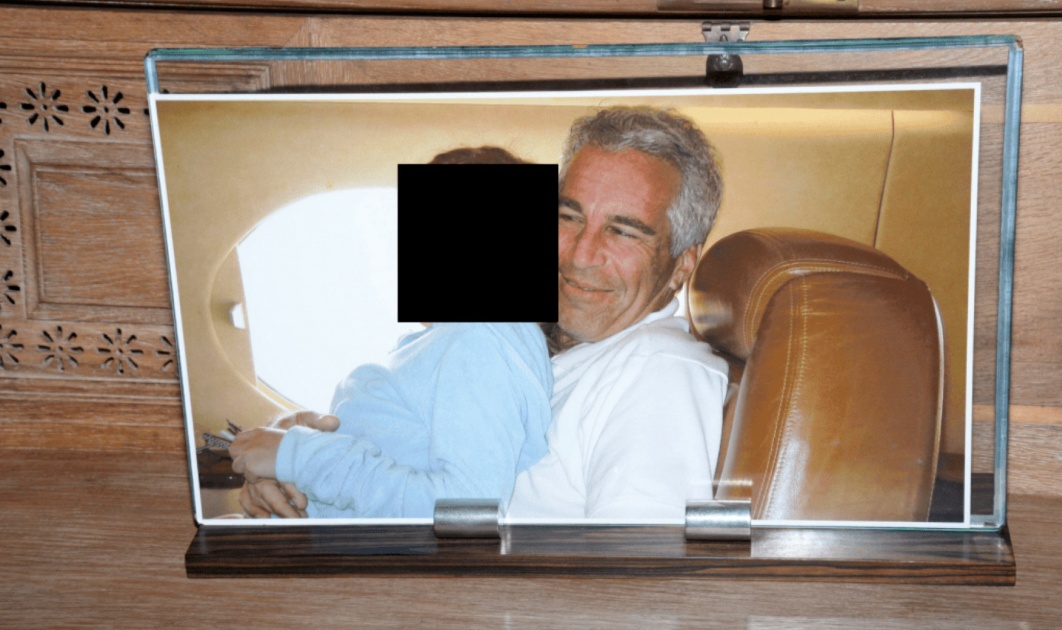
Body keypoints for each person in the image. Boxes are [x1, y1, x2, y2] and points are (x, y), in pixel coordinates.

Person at [229, 147, 554, 519]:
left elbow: (469, 505)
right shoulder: (458, 343)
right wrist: (289, 453)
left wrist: (299, 456)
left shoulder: (479, 340)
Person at [505, 107, 728, 520]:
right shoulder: (560, 353)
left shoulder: (658, 372)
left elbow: (638, 560)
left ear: (682, 264)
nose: (580, 255)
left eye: (623, 231)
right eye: (569, 216)